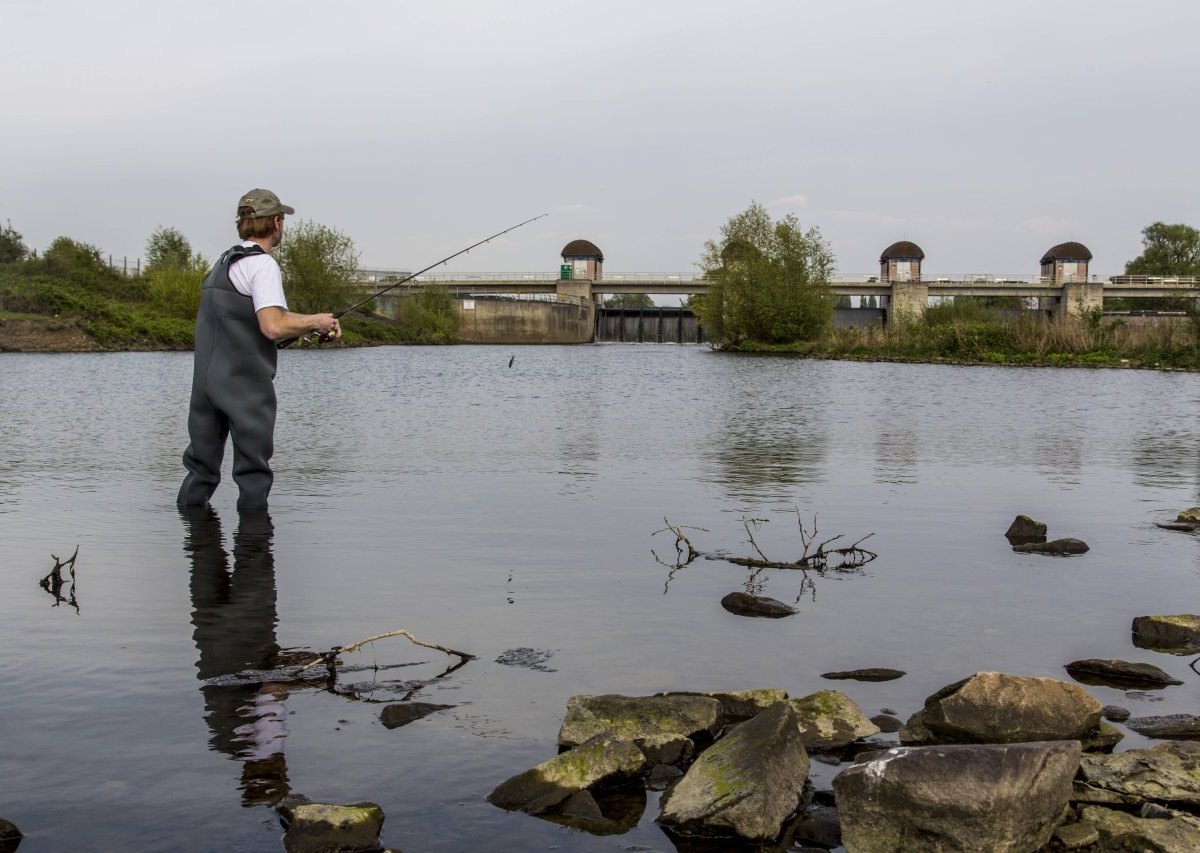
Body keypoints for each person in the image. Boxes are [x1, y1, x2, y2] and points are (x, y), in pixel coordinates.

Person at [177, 189, 341, 509]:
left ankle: (194, 548)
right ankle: (255, 554)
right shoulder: (262, 265)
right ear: (277, 222)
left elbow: (259, 319)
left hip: (205, 388)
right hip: (244, 387)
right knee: (253, 474)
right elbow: (272, 326)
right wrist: (316, 320)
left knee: (201, 472)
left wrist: (313, 321)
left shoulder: (223, 264)